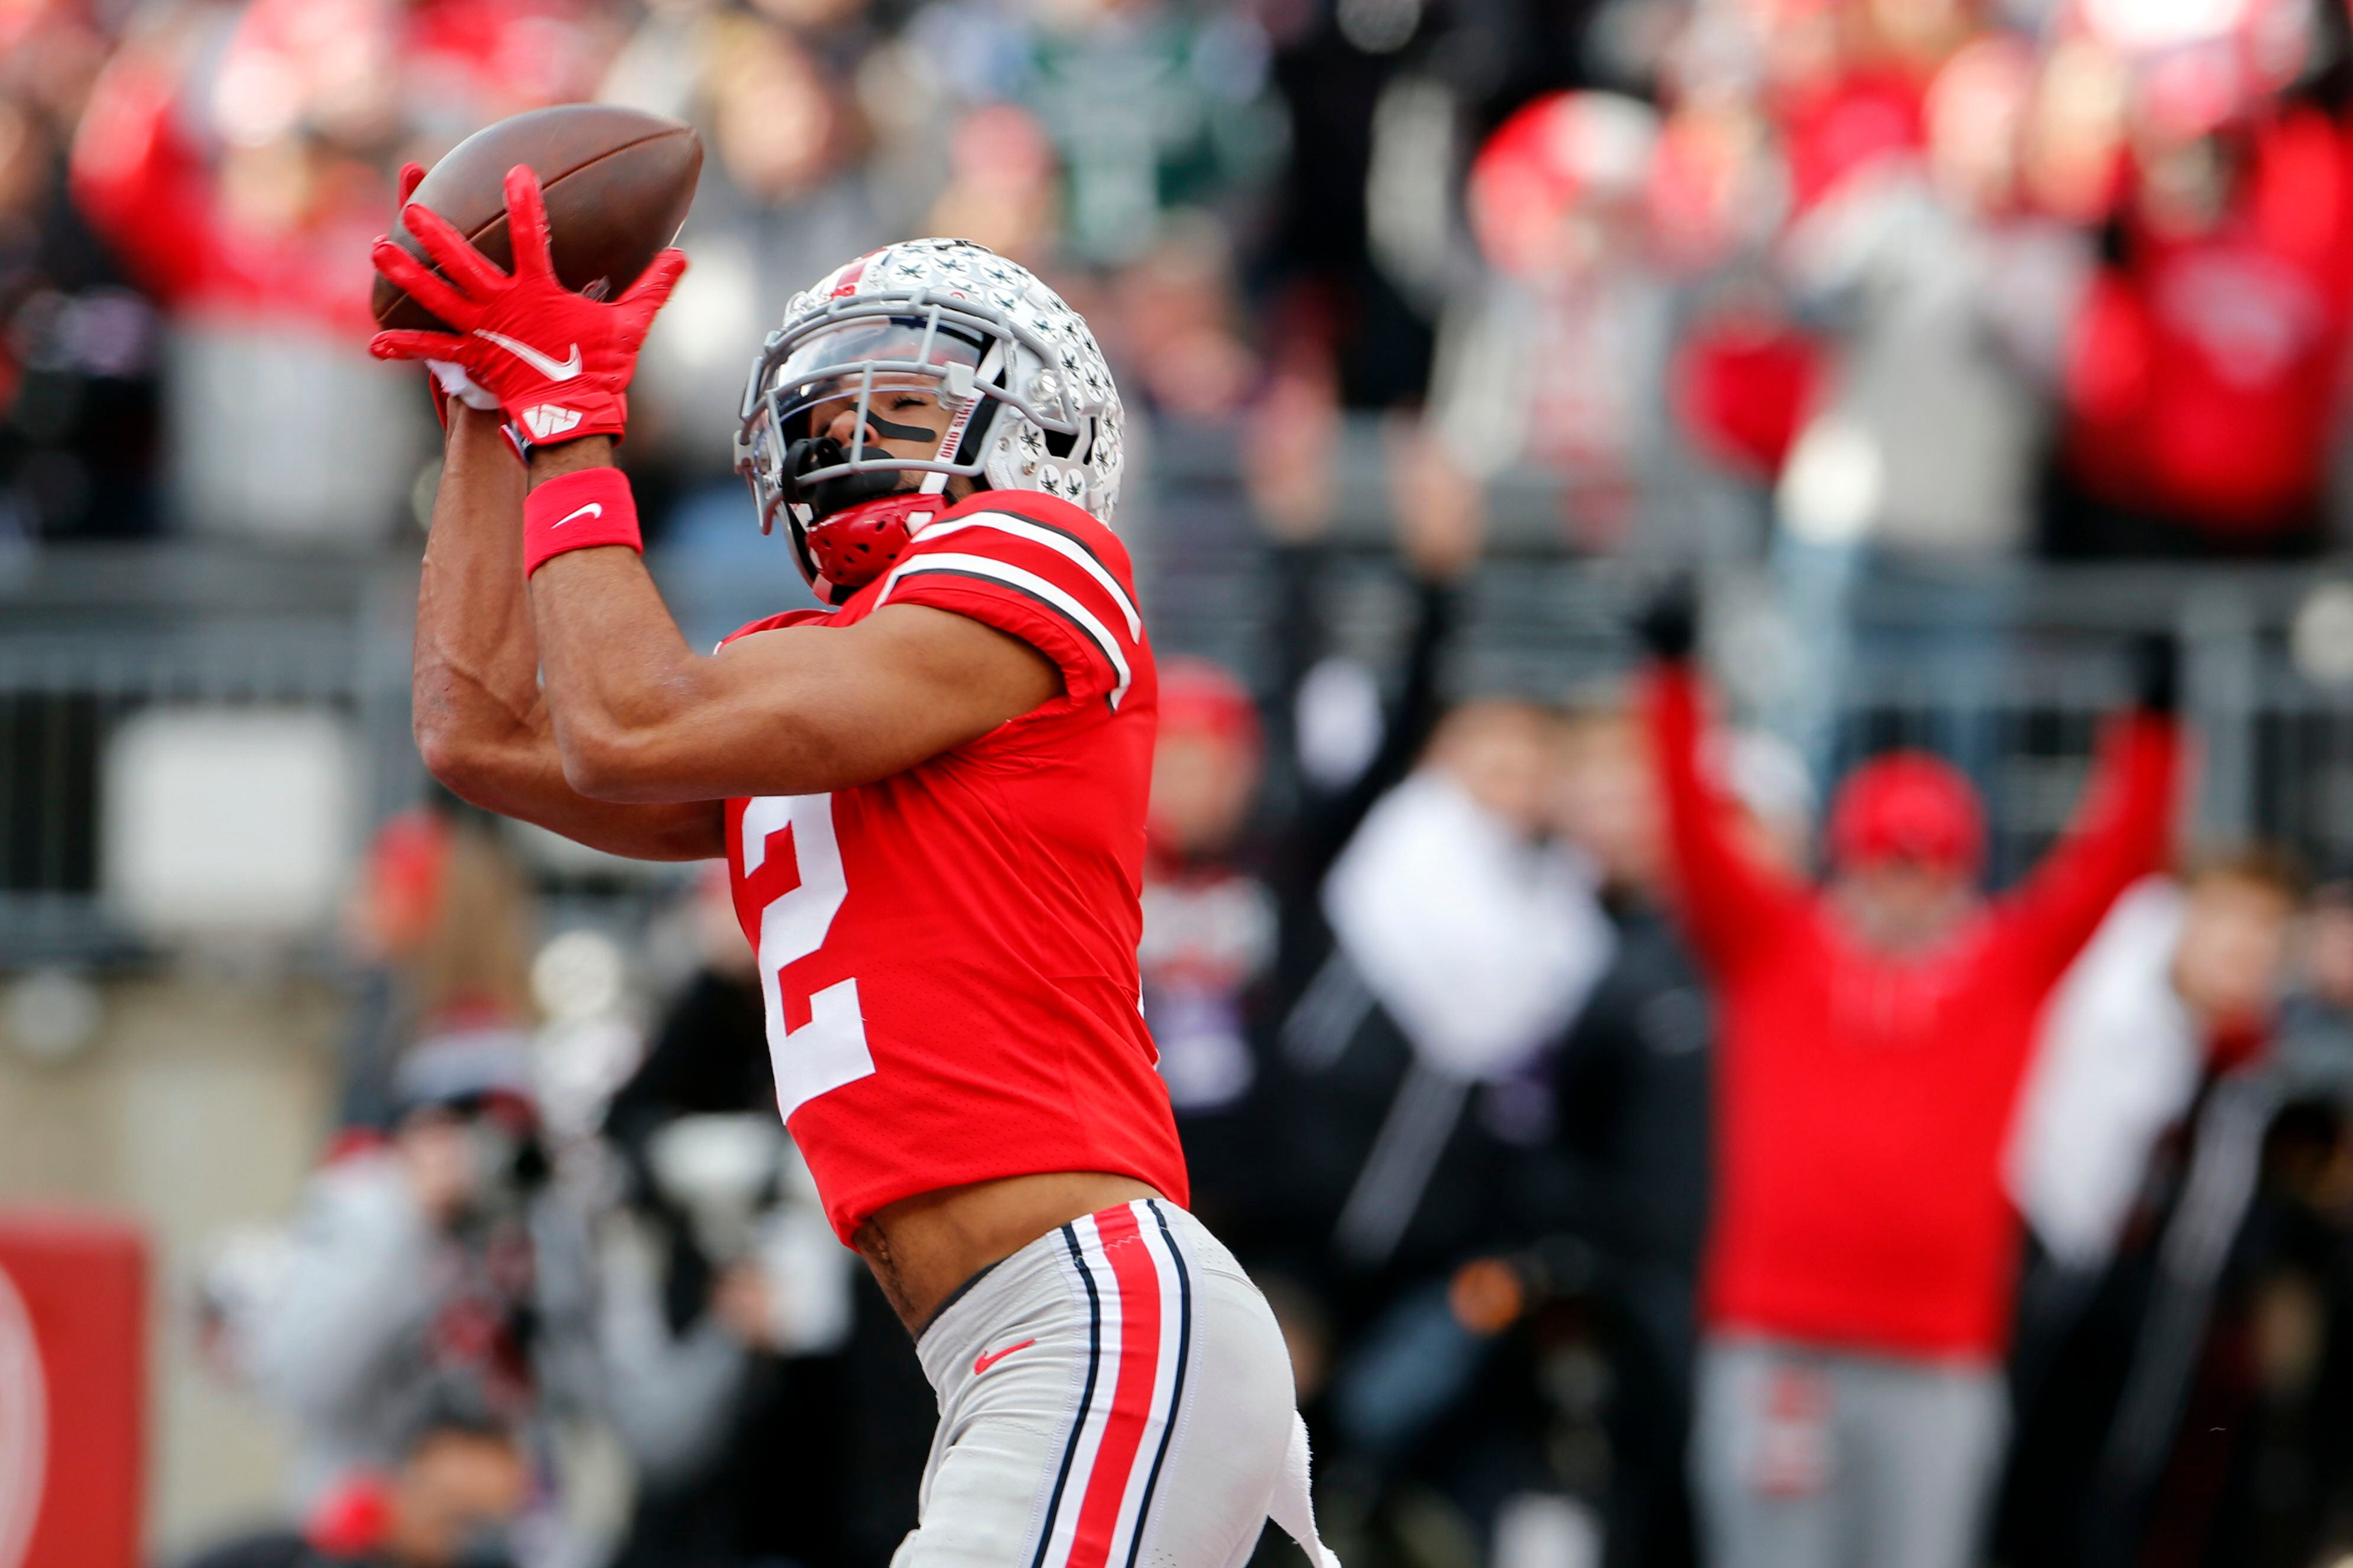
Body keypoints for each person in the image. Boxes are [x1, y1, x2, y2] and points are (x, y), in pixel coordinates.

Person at [366, 172, 1333, 1566]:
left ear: (1046, 426)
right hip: (1006, 1347)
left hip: (1091, 1313)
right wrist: (485, 407)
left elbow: (630, 720)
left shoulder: (1042, 558)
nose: (855, 424)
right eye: (830, 401)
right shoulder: (801, 679)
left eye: (915, 398)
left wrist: (571, 428)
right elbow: (482, 730)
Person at [1635, 587, 2182, 1568]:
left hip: (1936, 1355)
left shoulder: (2004, 968)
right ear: (1844, 863)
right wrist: (1672, 683)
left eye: (1929, 867)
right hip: (1779, 1341)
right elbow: (1692, 835)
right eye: (1886, 863)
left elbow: (2116, 861)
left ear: (1965, 872)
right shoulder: (1776, 951)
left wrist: (2153, 730)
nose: (1905, 888)